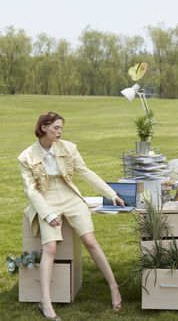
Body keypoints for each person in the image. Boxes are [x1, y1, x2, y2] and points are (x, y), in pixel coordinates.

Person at [18, 111, 125, 321]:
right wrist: (48, 214)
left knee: (90, 240)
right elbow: (30, 191)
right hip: (44, 199)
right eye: (56, 128)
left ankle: (114, 287)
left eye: (61, 128)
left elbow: (85, 172)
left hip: (69, 194)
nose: (60, 132)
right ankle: (45, 303)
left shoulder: (69, 148)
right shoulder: (26, 157)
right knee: (50, 247)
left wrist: (111, 193)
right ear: (43, 128)